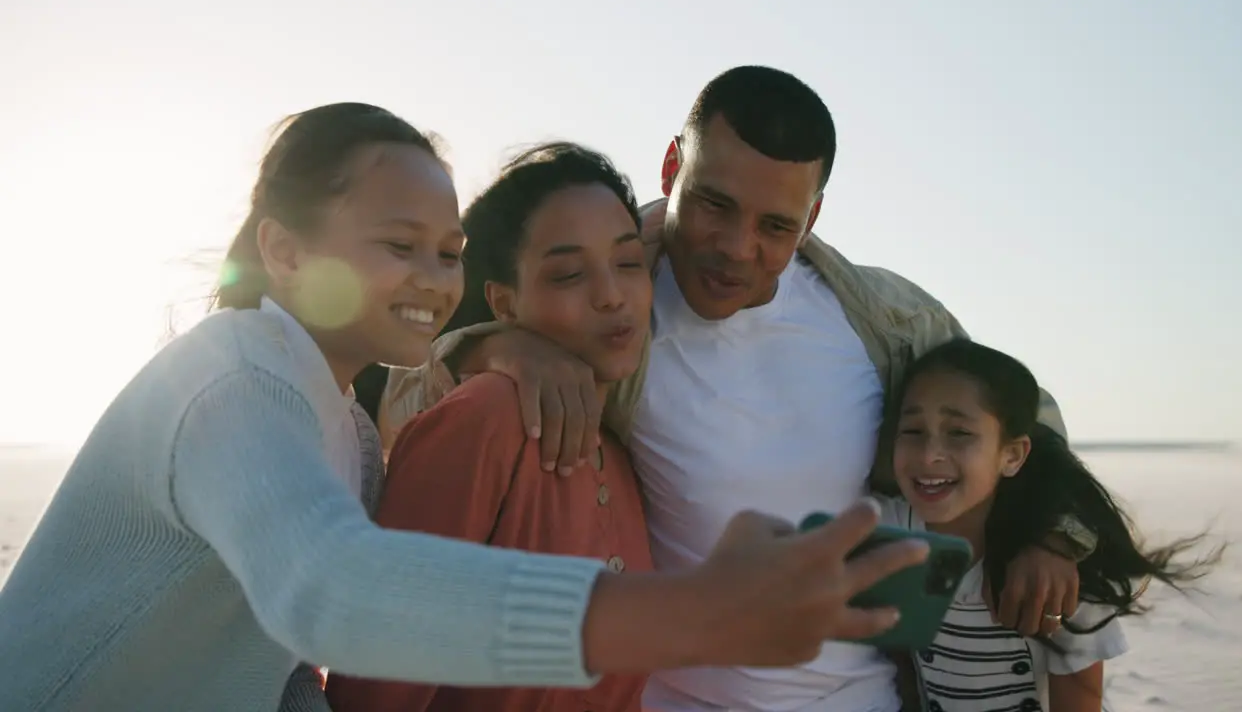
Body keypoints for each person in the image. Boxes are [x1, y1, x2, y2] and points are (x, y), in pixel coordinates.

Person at [0, 103, 931, 712]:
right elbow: (329, 591)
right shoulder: (232, 383)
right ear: (283, 251)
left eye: (446, 252)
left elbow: (281, 669)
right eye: (397, 245)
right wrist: (696, 613)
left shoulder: (350, 433)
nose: (432, 280)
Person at [379, 66, 1100, 711]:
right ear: (671, 167)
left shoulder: (885, 318)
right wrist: (497, 350)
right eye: (715, 205)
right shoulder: (609, 304)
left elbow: (1025, 415)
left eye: (775, 226)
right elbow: (407, 412)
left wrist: (1049, 536)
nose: (735, 247)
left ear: (812, 218)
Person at [326, 142, 657, 711]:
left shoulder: (623, 461)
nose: (611, 296)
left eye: (629, 263)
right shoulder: (485, 420)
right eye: (570, 274)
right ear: (504, 303)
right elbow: (374, 684)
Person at [879, 339, 1222, 712]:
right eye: (912, 430)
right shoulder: (890, 531)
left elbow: (1079, 702)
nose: (930, 454)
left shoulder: (1062, 575)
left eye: (959, 433)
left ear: (1012, 455)